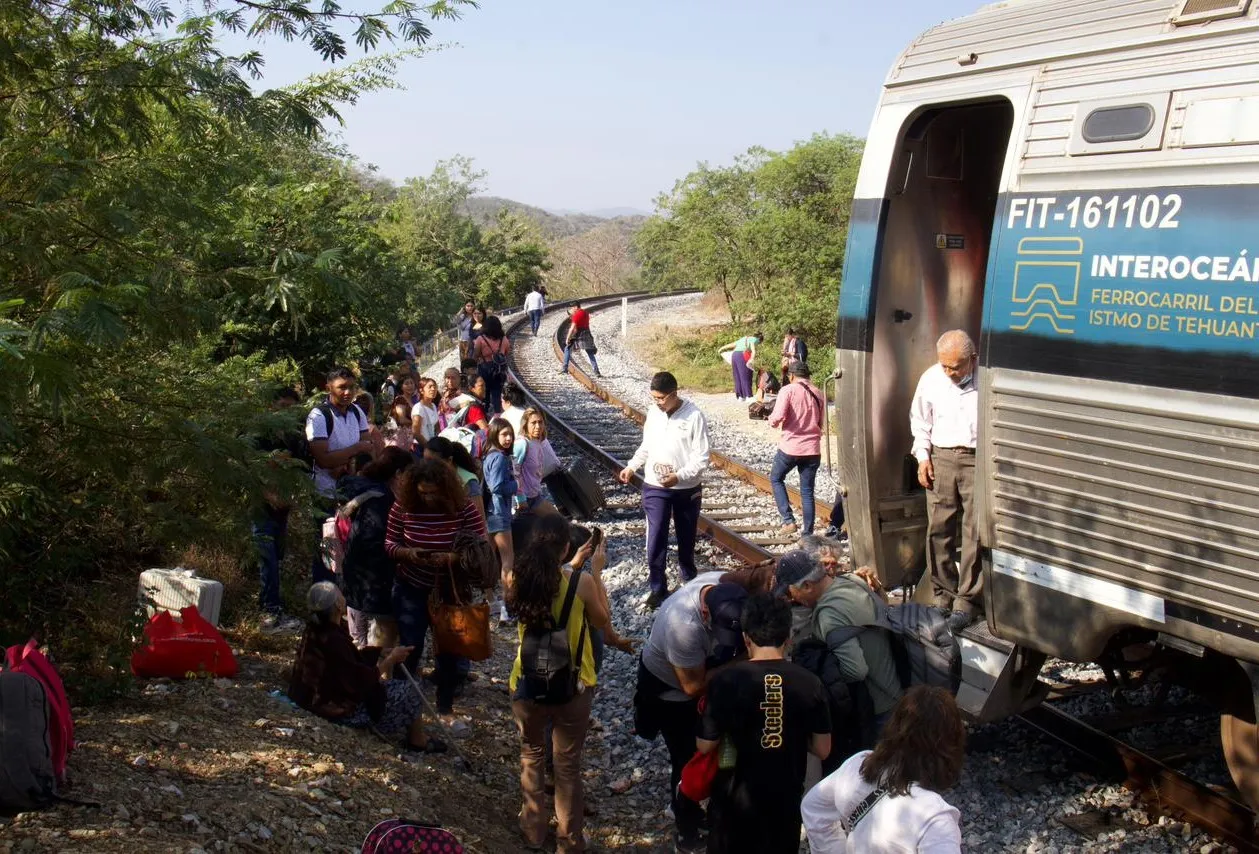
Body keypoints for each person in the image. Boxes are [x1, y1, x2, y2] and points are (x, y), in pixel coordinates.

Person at [507, 513, 612, 853]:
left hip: (526, 680)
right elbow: (601, 621)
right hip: (573, 682)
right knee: (567, 764)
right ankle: (569, 840)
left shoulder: (515, 578)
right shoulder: (578, 582)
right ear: (566, 548)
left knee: (531, 753)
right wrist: (593, 571)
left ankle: (533, 828)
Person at [697, 594, 832, 854]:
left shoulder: (725, 681)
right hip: (785, 801)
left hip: (734, 803)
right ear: (788, 637)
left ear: (746, 638)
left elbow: (705, 745)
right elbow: (823, 749)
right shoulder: (810, 682)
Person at [634, 573, 749, 851]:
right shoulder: (684, 625)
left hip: (706, 672)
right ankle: (687, 829)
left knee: (719, 754)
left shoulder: (725, 585)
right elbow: (693, 686)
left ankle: (716, 815)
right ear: (706, 611)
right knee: (688, 759)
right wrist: (746, 661)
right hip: (671, 693)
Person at [800, 686, 965, 853]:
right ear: (951, 744)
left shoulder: (858, 765)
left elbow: (812, 807)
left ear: (893, 727)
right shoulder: (934, 819)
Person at [384, 459, 487, 726]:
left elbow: (481, 544)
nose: (428, 498)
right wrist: (408, 553)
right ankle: (400, 704)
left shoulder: (463, 507)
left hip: (449, 590)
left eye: (433, 492)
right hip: (411, 586)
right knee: (410, 647)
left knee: (449, 650)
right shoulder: (402, 507)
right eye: (422, 493)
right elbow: (389, 543)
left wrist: (452, 558)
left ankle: (445, 706)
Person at [287, 582, 446, 754]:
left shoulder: (317, 628)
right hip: (339, 709)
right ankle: (418, 740)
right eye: (340, 594)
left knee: (400, 687)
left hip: (315, 700)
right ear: (338, 605)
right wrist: (391, 659)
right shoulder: (333, 638)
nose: (343, 595)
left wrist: (379, 652)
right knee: (413, 687)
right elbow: (360, 681)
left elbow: (347, 662)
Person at [774, 551, 903, 760]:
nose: (791, 599)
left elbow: (856, 670)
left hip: (876, 706)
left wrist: (820, 677)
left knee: (878, 773)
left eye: (790, 593)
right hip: (894, 688)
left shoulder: (830, 614)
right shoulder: (852, 581)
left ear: (807, 585)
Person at [617, 372, 711, 609]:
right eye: (653, 398)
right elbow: (647, 445)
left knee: (686, 538)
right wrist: (631, 466)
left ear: (673, 394)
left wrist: (679, 476)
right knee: (656, 535)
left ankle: (689, 584)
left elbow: (702, 458)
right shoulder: (653, 413)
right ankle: (658, 587)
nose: (657, 403)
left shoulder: (694, 416)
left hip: (685, 488)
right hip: (655, 486)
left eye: (660, 398)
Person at [909, 329, 981, 633]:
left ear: (972, 360)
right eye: (945, 366)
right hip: (941, 457)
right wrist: (923, 457)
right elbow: (920, 420)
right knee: (939, 528)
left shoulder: (987, 379)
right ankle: (942, 596)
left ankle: (967, 602)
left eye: (956, 366)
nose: (949, 372)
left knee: (976, 532)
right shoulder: (932, 378)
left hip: (977, 459)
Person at [339, 447, 413, 649]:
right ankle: (378, 674)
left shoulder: (367, 489)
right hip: (375, 577)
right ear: (398, 474)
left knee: (358, 635)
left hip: (354, 572)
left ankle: (360, 670)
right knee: (382, 631)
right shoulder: (384, 500)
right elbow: (380, 539)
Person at [306, 367, 373, 583]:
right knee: (327, 549)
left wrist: (344, 462)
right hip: (324, 493)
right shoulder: (319, 415)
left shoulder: (356, 412)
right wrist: (354, 450)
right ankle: (324, 601)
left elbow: (367, 450)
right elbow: (323, 459)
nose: (347, 392)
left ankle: (346, 599)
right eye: (342, 387)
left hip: (351, 491)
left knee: (351, 545)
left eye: (351, 387)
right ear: (328, 388)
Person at [251, 387, 305, 632]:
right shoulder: (259, 432)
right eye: (283, 406)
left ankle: (271, 604)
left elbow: (298, 470)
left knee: (277, 555)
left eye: (292, 408)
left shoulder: (294, 436)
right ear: (271, 407)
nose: (288, 412)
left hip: (282, 505)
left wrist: (291, 497)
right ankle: (269, 611)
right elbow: (249, 467)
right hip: (260, 504)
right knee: (267, 557)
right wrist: (267, 494)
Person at [768, 360, 824, 535]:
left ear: (791, 375)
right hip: (813, 450)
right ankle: (807, 534)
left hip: (790, 448)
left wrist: (770, 419)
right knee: (807, 492)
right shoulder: (818, 393)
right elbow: (821, 422)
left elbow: (777, 417)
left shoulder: (788, 390)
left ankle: (788, 521)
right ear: (808, 375)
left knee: (776, 478)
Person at [483, 417, 519, 624]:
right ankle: (508, 607)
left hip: (490, 513)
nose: (508, 438)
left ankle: (492, 600)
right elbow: (496, 486)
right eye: (504, 434)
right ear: (495, 434)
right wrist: (514, 485)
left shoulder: (489, 456)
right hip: (499, 514)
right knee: (507, 561)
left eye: (510, 435)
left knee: (490, 559)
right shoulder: (499, 458)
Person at [513, 408, 561, 517]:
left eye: (540, 422)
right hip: (523, 500)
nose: (538, 426)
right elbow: (514, 472)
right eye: (533, 423)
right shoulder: (522, 444)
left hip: (535, 495)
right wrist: (520, 498)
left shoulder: (537, 442)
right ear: (525, 425)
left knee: (558, 521)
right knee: (556, 521)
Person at [473, 315, 511, 415]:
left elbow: (476, 355)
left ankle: (484, 412)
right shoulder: (504, 339)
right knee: (497, 392)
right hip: (498, 370)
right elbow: (507, 353)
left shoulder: (480, 339)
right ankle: (497, 414)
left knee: (484, 392)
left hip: (484, 369)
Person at [560, 302, 601, 377]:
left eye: (572, 308)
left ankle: (564, 368)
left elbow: (572, 328)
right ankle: (596, 371)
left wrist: (568, 338)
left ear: (576, 307)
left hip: (578, 333)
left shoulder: (576, 315)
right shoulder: (585, 313)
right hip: (586, 332)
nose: (571, 310)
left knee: (567, 349)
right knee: (590, 352)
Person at [718, 331, 761, 401]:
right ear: (759, 339)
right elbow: (753, 350)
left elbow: (732, 344)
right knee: (746, 376)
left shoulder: (744, 338)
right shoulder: (754, 339)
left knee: (737, 376)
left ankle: (740, 397)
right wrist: (752, 359)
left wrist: (722, 348)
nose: (758, 344)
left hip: (734, 355)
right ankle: (748, 396)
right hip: (742, 355)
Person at [410, 376, 441, 445]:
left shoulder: (433, 405)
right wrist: (428, 447)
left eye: (435, 386)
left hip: (433, 443)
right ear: (421, 390)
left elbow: (436, 426)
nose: (433, 389)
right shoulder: (418, 408)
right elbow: (416, 433)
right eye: (430, 387)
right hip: (423, 446)